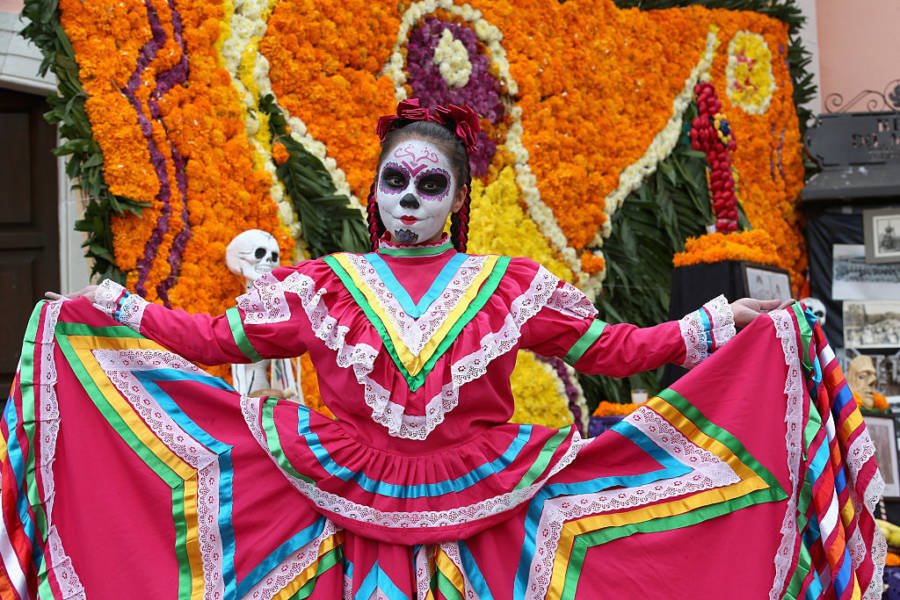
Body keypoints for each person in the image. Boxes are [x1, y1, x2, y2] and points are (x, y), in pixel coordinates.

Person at [10, 100, 884, 599]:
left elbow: (611, 350)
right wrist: (122, 309)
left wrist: (710, 327)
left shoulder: (508, 285)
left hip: (490, 508)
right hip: (337, 500)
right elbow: (214, 340)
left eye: (432, 186)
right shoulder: (324, 285)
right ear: (373, 193)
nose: (412, 200)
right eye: (397, 182)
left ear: (455, 201)